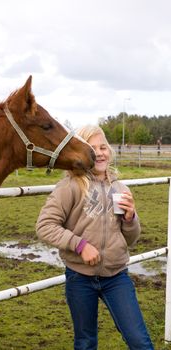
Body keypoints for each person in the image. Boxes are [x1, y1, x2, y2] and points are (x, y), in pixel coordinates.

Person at [36, 125, 154, 350]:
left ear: (109, 151)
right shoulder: (69, 187)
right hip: (80, 278)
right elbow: (45, 225)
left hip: (117, 276)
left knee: (139, 340)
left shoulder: (121, 188)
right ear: (82, 152)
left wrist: (130, 219)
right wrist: (80, 245)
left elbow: (130, 239)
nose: (99, 153)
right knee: (86, 343)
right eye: (92, 148)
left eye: (103, 147)